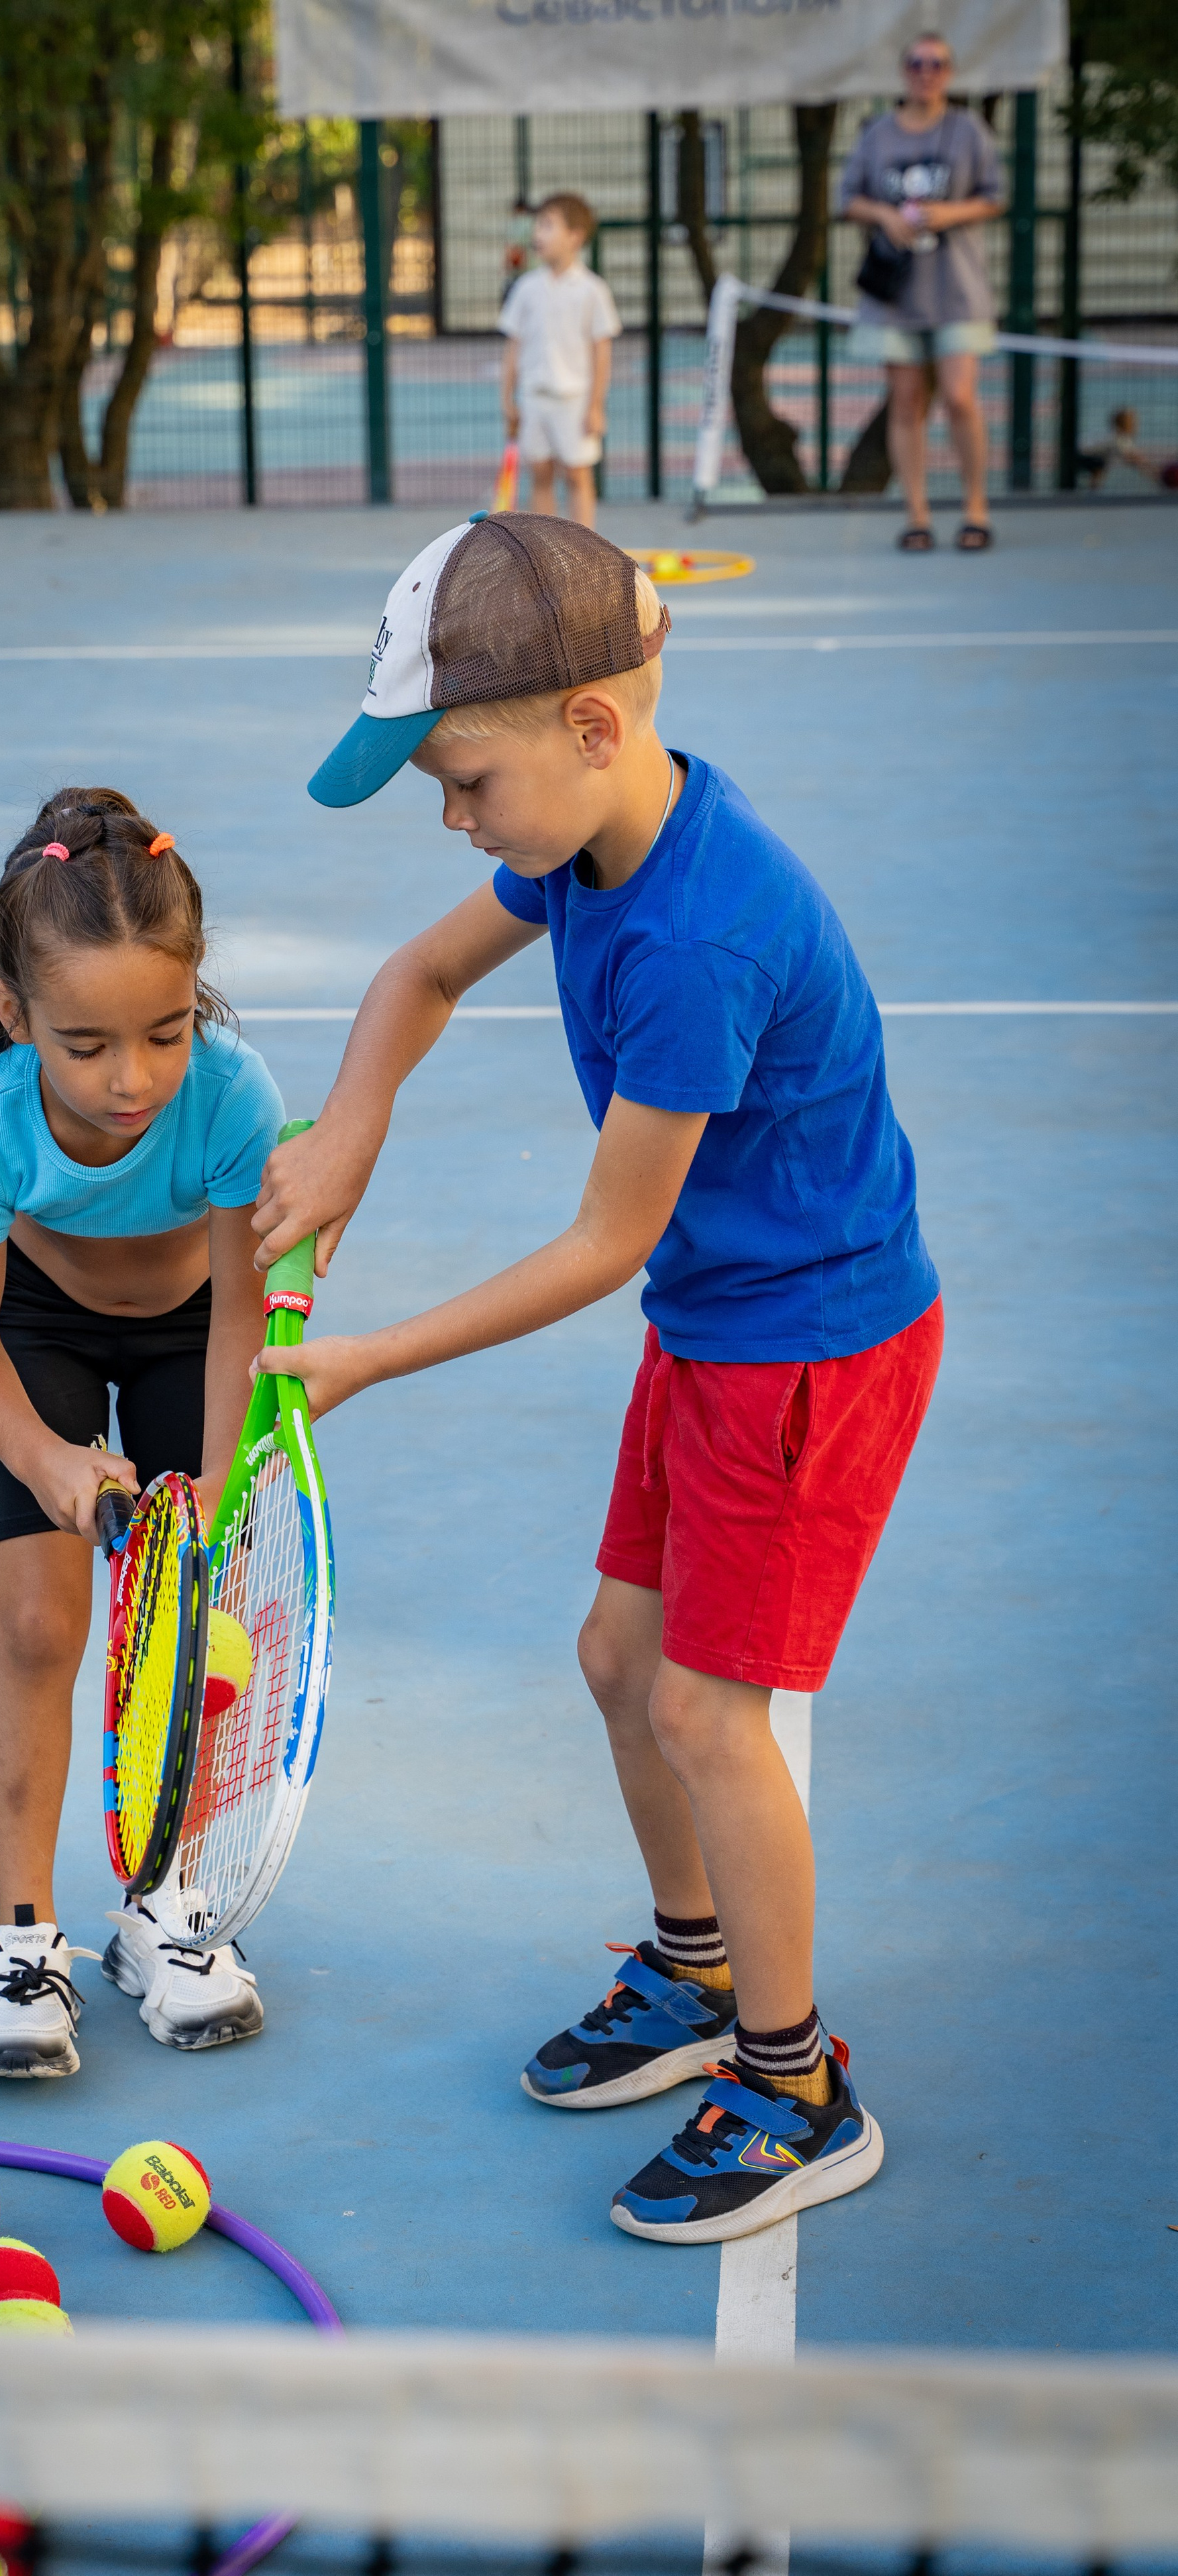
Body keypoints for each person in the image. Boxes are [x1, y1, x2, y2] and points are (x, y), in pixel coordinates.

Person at [255, 514, 943, 2245]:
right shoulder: (584, 841)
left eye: (459, 776)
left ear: (587, 725)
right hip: (724, 1321)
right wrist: (349, 1131)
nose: (451, 814)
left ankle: (793, 2081)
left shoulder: (697, 938)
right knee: (613, 1653)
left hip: (802, 1346)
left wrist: (367, 1359)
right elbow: (412, 975)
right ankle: (693, 1969)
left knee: (708, 1708)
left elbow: (598, 1243)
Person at [0, 789, 284, 2080]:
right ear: (15, 1013)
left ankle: (166, 1908)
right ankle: (21, 1943)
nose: (131, 1079)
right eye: (84, 1043)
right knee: (39, 1627)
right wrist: (52, 1464)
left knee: (192, 1630)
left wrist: (223, 1482)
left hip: (197, 1334)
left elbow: (244, 1312)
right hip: (39, 1332)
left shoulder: (235, 1098)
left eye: (166, 1032)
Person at [841, 34, 1005, 553]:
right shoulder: (878, 134)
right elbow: (850, 199)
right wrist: (887, 214)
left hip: (956, 288)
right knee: (907, 401)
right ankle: (918, 514)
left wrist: (950, 213)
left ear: (950, 73)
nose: (926, 72)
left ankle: (975, 507)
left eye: (937, 64)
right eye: (916, 63)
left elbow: (994, 196)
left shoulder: (967, 130)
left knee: (959, 397)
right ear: (904, 71)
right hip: (896, 294)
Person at [500, 193, 621, 531]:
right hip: (535, 398)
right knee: (540, 474)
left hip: (575, 400)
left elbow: (602, 352)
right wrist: (507, 399)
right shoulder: (526, 289)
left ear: (575, 237)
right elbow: (513, 348)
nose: (538, 233)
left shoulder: (592, 291)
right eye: (538, 225)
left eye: (548, 225)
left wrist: (596, 405)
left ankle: (585, 553)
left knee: (578, 475)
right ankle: (549, 553)